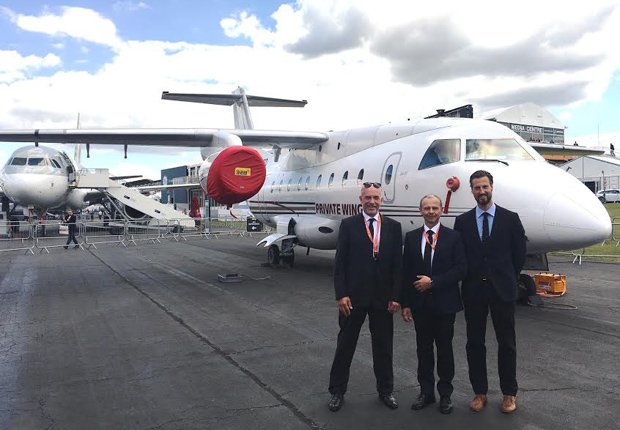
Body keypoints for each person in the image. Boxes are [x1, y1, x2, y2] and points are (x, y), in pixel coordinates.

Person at [454, 170, 526, 414]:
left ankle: (509, 393)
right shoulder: (462, 222)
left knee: (507, 343)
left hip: (502, 290)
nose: (481, 192)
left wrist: (507, 278)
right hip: (474, 291)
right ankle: (480, 392)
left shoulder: (510, 219)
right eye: (476, 188)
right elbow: (460, 258)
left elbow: (518, 255)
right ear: (472, 191)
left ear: (492, 187)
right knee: (475, 343)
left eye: (485, 187)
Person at [328, 182, 403, 412]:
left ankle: (386, 391)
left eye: (376, 198)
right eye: (367, 197)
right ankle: (337, 391)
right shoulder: (349, 225)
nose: (372, 201)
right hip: (353, 298)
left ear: (382, 200)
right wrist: (341, 295)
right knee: (345, 346)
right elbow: (340, 264)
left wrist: (396, 296)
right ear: (360, 199)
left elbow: (397, 266)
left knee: (383, 347)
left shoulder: (393, 226)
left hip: (382, 299)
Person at [401, 194, 466, 414]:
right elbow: (406, 272)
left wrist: (434, 282)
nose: (431, 212)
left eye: (435, 208)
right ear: (420, 211)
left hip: (445, 304)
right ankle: (426, 392)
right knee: (423, 351)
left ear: (441, 211)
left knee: (445, 351)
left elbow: (460, 269)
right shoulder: (410, 238)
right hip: (420, 305)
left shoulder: (453, 237)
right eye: (427, 208)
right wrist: (406, 303)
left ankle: (445, 395)